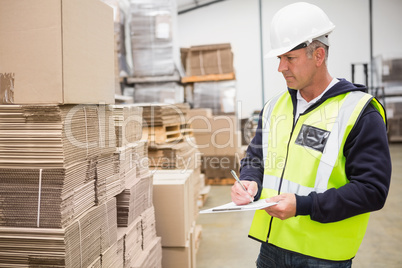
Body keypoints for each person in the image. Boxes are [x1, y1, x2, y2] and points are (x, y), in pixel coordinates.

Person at [231, 2, 392, 267]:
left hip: (323, 256)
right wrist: (249, 181)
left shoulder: (359, 112)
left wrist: (303, 205)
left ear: (318, 55)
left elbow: (372, 190)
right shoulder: (274, 107)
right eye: (279, 58)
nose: (280, 67)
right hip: (271, 247)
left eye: (289, 58)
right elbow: (255, 158)